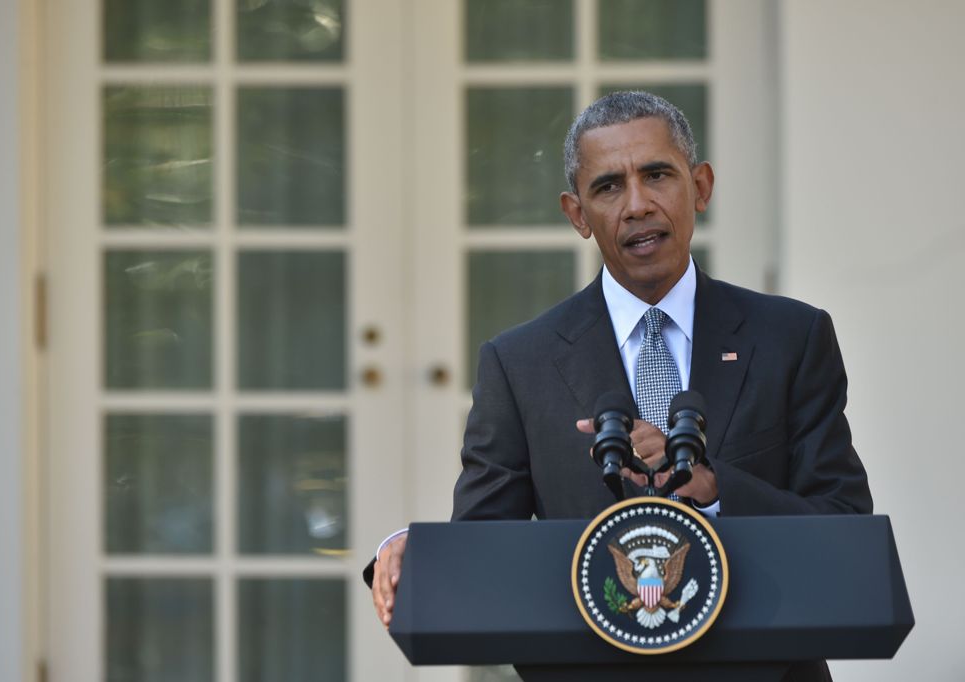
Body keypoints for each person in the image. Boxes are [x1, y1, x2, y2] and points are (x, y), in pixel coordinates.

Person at [368, 92, 871, 680]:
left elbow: (843, 529)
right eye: (608, 187)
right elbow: (485, 541)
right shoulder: (518, 362)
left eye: (657, 175)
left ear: (701, 187)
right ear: (577, 214)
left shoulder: (792, 337)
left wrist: (714, 490)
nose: (637, 205)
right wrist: (417, 552)